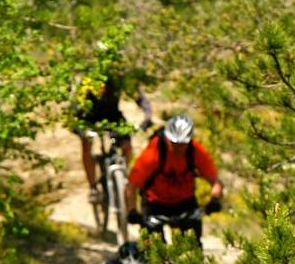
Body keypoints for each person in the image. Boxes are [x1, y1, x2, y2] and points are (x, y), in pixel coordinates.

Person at [124, 113, 224, 243]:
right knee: (152, 248)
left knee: (192, 245)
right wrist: (132, 211)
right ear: (166, 138)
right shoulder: (154, 151)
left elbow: (215, 181)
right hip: (155, 203)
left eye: (183, 144)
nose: (178, 148)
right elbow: (132, 185)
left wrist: (215, 199)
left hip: (185, 203)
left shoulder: (195, 151)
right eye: (174, 143)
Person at [72, 67, 153, 204]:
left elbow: (140, 98)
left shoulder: (119, 80)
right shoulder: (90, 79)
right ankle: (92, 187)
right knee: (86, 143)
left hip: (113, 117)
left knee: (127, 145)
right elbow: (76, 104)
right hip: (89, 117)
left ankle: (121, 177)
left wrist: (147, 116)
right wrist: (78, 126)